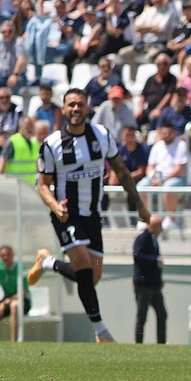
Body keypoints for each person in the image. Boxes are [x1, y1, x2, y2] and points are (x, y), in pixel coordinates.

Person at [26, 88, 152, 343]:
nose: (76, 109)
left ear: (87, 108)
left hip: (93, 215)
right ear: (64, 109)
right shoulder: (52, 144)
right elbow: (42, 185)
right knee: (83, 267)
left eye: (80, 104)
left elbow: (121, 171)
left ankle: (48, 263)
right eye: (71, 104)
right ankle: (101, 331)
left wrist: (139, 204)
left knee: (92, 278)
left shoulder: (102, 136)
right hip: (66, 215)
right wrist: (55, 206)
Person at [131, 215, 167, 344]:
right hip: (143, 285)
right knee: (142, 316)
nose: (162, 229)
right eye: (160, 226)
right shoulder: (142, 239)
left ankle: (161, 342)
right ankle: (138, 342)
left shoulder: (154, 240)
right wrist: (155, 261)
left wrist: (159, 280)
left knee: (162, 314)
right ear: (153, 226)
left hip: (154, 286)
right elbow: (138, 257)